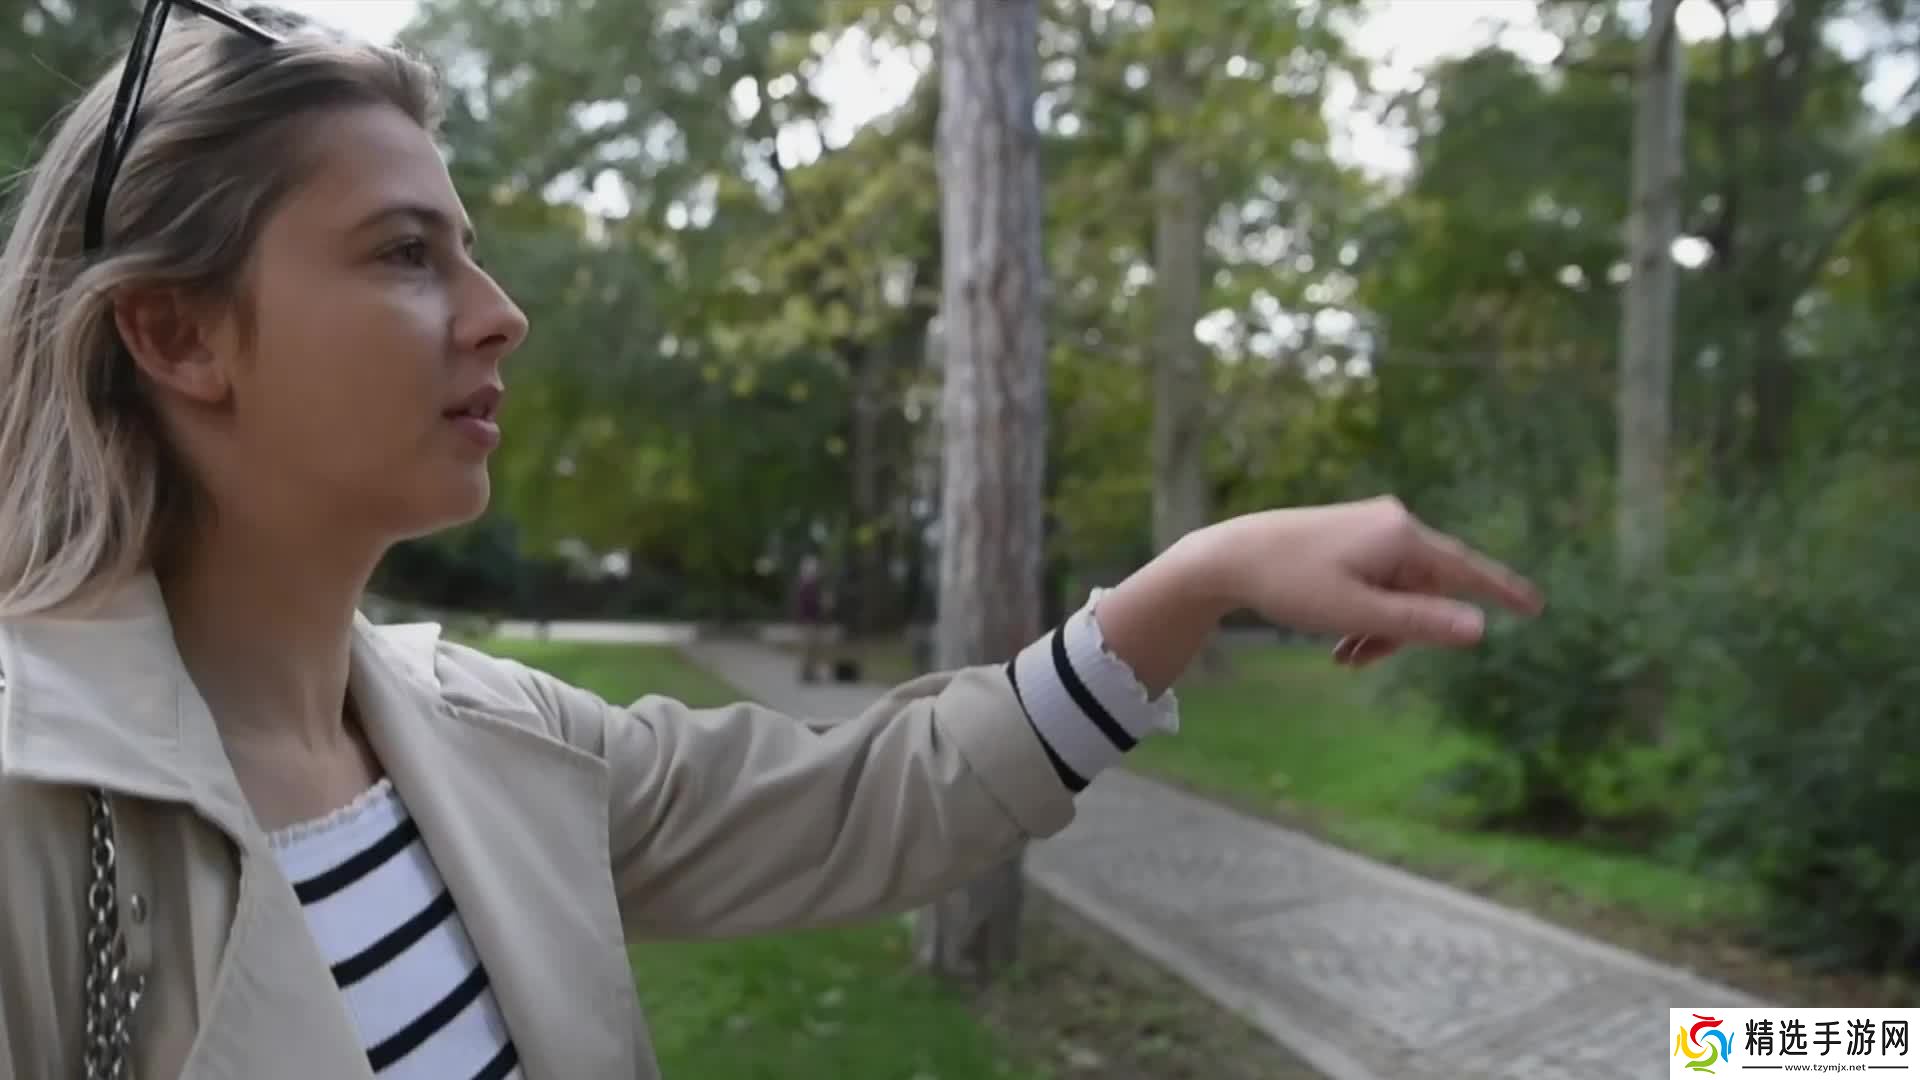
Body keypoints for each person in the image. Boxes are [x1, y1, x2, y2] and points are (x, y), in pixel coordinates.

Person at [0, 4, 1545, 1079]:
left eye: (471, 251)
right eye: (407, 253)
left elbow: (873, 798)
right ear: (178, 333)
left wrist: (1200, 577)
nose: (500, 313)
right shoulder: (36, 813)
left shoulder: (488, 739)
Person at [793, 554, 827, 683]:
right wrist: (822, 603)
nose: (817, 571)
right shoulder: (806, 585)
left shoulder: (811, 584)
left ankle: (810, 674)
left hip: (811, 621)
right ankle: (806, 674)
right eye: (815, 569)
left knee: (813, 648)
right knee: (808, 648)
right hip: (808, 621)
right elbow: (808, 604)